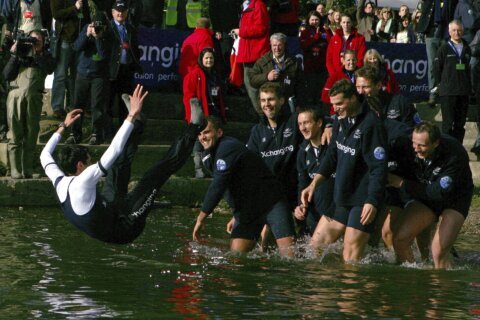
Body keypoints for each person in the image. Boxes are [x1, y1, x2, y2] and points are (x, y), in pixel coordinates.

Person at [40, 85, 207, 244]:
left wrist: (63, 126)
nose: (91, 162)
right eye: (89, 160)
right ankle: (195, 126)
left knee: (117, 166)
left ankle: (138, 122)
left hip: (111, 209)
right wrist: (130, 115)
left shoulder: (59, 180)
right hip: (126, 227)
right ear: (80, 166)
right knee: (154, 175)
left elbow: (44, 155)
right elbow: (114, 148)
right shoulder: (83, 181)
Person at [301, 79, 387, 262]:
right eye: (333, 105)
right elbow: (331, 156)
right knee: (314, 248)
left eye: (339, 103)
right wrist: (314, 183)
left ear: (354, 98)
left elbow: (378, 168)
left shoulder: (371, 125)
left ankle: (352, 289)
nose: (335, 109)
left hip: (362, 200)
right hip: (342, 196)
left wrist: (372, 201)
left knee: (349, 257)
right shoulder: (339, 120)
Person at [192, 116, 296, 257]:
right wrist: (236, 214)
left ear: (219, 132)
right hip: (248, 211)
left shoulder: (228, 146)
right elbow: (230, 185)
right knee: (236, 258)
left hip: (271, 203)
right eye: (200, 134)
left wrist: (200, 218)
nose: (202, 137)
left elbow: (218, 185)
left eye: (206, 132)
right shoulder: (207, 155)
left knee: (291, 258)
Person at [388, 121, 473, 269]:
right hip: (425, 192)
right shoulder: (406, 143)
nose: (416, 149)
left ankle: (441, 288)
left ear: (436, 143)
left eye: (422, 145)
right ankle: (415, 281)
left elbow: (437, 193)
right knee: (400, 240)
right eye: (414, 143)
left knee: (438, 251)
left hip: (454, 199)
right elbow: (387, 125)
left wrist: (403, 184)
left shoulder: (454, 154)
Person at [3, 29, 55, 179]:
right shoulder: (20, 53)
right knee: (15, 132)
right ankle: (14, 169)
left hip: (34, 98)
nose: (35, 42)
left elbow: (50, 68)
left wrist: (38, 53)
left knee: (31, 134)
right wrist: (15, 54)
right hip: (16, 96)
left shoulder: (46, 56)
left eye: (38, 40)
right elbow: (6, 75)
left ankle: (27, 169)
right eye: (32, 39)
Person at [66, 12, 112, 145]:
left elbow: (104, 54)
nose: (97, 27)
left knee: (97, 105)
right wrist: (87, 34)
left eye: (100, 26)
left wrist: (98, 37)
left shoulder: (109, 33)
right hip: (83, 73)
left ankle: (96, 133)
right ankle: (74, 133)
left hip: (99, 75)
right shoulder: (86, 28)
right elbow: (76, 47)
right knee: (77, 104)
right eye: (95, 25)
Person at [183, 47, 226, 178]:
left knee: (214, 141)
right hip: (201, 114)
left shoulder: (215, 75)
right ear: (201, 59)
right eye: (206, 58)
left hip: (214, 112)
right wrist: (194, 114)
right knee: (199, 141)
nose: (209, 60)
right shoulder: (194, 74)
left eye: (211, 58)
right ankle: (198, 169)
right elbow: (189, 96)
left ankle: (212, 168)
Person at [294, 107, 335, 238]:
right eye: (300, 124)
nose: (302, 128)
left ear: (319, 123)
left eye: (306, 123)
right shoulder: (303, 152)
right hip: (314, 213)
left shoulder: (334, 145)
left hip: (336, 211)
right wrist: (301, 206)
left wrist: (330, 124)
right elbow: (303, 182)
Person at [106, 0, 142, 140]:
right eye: (117, 11)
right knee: (108, 103)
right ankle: (108, 133)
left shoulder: (131, 28)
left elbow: (136, 48)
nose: (120, 13)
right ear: (113, 12)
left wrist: (135, 61)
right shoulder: (108, 27)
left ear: (127, 12)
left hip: (126, 70)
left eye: (123, 11)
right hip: (111, 70)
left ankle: (123, 132)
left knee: (124, 103)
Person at [50, 0, 90, 119]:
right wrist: (75, 8)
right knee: (60, 75)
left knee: (77, 76)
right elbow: (56, 14)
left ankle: (75, 107)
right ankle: (57, 107)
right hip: (64, 40)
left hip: (79, 41)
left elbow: (86, 16)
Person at [433, 20, 471, 143]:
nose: (457, 32)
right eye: (454, 30)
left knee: (460, 124)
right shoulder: (444, 48)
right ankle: (447, 150)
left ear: (463, 31)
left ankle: (457, 149)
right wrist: (442, 84)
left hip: (463, 91)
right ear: (449, 32)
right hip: (448, 92)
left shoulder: (467, 48)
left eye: (459, 30)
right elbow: (437, 69)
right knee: (448, 124)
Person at [415, 0, 458, 106]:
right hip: (431, 34)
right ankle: (432, 94)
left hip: (445, 35)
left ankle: (445, 94)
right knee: (432, 65)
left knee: (447, 66)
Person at [231, 0, 270, 113]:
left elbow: (261, 28)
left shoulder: (258, 5)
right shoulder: (249, 6)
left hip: (255, 54)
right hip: (249, 53)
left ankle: (263, 118)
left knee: (253, 88)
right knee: (251, 87)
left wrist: (241, 31)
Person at [249, 33, 305, 109]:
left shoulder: (294, 62)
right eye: (274, 45)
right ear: (271, 45)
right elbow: (252, 80)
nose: (277, 48)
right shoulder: (262, 61)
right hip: (268, 105)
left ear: (284, 45)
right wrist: (267, 77)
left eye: (280, 45)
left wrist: (299, 104)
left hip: (287, 104)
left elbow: (300, 85)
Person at [299, 11, 331, 108]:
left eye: (316, 19)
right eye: (312, 19)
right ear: (308, 21)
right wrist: (316, 37)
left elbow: (331, 43)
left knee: (321, 92)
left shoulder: (324, 31)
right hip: (310, 68)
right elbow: (304, 45)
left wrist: (328, 32)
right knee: (311, 92)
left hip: (322, 68)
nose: (314, 22)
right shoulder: (305, 32)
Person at [321, 49, 358, 114]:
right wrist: (341, 100)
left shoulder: (361, 74)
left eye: (353, 60)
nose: (351, 62)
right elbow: (324, 96)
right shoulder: (335, 76)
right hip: (338, 111)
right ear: (343, 61)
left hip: (357, 109)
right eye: (348, 60)